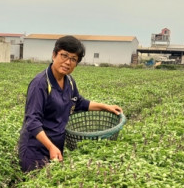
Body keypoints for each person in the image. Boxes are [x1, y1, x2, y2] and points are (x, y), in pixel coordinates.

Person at [18, 35, 123, 172]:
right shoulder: (40, 84)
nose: (68, 62)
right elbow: (32, 121)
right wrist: (50, 147)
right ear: (54, 55)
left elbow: (79, 103)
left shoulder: (69, 82)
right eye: (64, 56)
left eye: (73, 59)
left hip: (55, 147)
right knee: (36, 187)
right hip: (35, 150)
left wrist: (106, 107)